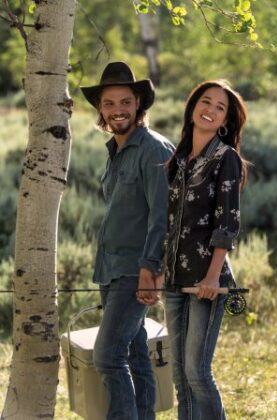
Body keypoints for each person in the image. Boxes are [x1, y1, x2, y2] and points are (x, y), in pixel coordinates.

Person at [80, 61, 174, 420]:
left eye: (124, 102)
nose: (117, 110)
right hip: (112, 268)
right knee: (134, 354)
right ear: (101, 109)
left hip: (137, 270)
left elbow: (163, 216)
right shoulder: (116, 149)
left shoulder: (153, 149)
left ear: (138, 104)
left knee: (108, 356)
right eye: (108, 103)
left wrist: (151, 269)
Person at [164, 79, 248, 420]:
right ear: (193, 106)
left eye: (219, 107)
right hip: (174, 280)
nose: (210, 110)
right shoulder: (178, 158)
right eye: (205, 101)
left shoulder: (226, 158)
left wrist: (213, 277)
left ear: (226, 120)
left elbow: (226, 224)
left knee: (198, 373)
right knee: (179, 377)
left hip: (207, 284)